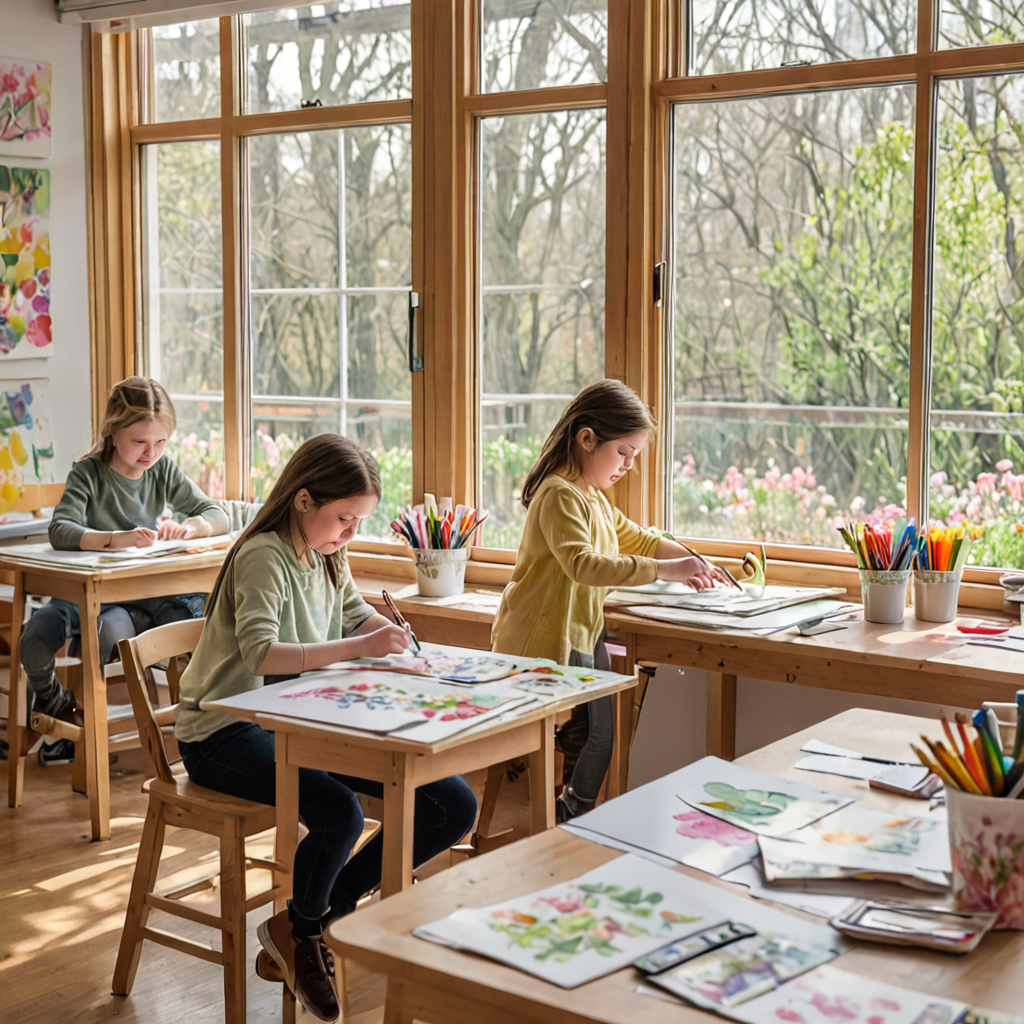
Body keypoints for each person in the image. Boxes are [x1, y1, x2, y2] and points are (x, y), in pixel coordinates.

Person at [174, 433, 477, 1023]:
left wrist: (401, 643)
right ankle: (306, 930)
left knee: (452, 805)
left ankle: (319, 910)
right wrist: (361, 645)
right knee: (340, 813)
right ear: (304, 501)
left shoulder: (325, 552)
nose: (349, 534)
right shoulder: (265, 553)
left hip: (300, 719)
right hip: (223, 730)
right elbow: (262, 654)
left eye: (358, 522)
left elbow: (350, 611)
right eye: (344, 519)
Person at [490, 378, 729, 821]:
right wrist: (669, 571)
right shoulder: (559, 495)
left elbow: (640, 539)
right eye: (624, 453)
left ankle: (571, 813)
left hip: (581, 634)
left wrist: (695, 560)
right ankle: (563, 819)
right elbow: (584, 564)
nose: (628, 466)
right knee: (587, 736)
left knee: (602, 735)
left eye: (634, 457)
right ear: (587, 439)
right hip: (542, 645)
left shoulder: (592, 498)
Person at [23, 376, 229, 766]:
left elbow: (215, 513)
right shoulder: (88, 473)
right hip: (86, 593)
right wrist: (115, 538)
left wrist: (190, 528)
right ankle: (57, 708)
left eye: (161, 442)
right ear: (113, 433)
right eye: (139, 442)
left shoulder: (162, 469)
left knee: (201, 622)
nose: (151, 452)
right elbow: (60, 529)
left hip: (145, 593)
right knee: (32, 642)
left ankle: (206, 736)